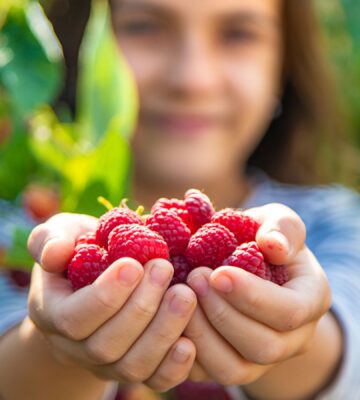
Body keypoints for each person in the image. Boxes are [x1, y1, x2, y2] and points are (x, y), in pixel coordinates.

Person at [1, 0, 360, 399]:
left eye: (238, 33)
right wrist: (56, 344)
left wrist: (296, 332)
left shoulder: (335, 221)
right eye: (145, 27)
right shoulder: (14, 232)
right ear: (81, 43)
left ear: (285, 65)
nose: (192, 79)